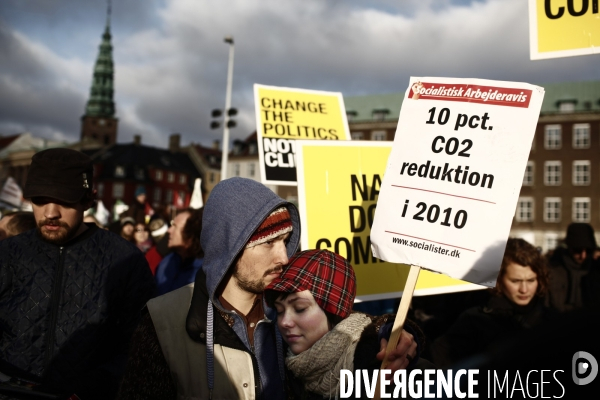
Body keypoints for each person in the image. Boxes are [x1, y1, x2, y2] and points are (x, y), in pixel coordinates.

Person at [117, 177, 416, 399]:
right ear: (228, 248)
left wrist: (391, 333)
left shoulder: (286, 312)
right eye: (268, 243)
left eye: (285, 241)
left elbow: (347, 332)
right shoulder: (162, 324)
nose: (284, 256)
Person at [0, 148, 156, 400]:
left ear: (88, 199)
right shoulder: (7, 254)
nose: (50, 212)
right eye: (39, 199)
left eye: (64, 200)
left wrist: (92, 389)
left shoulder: (125, 260)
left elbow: (141, 344)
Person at [265, 249, 423, 399]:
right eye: (279, 311)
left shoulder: (388, 373)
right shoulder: (276, 364)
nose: (284, 322)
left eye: (300, 309)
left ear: (335, 312)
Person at [430, 238, 553, 367]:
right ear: (499, 279)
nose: (524, 289)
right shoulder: (474, 321)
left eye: (531, 280)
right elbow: (439, 361)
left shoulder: (551, 319)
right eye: (515, 281)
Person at [547, 222, 598, 312]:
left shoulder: (596, 270)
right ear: (569, 248)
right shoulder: (553, 271)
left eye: (588, 250)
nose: (583, 255)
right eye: (578, 250)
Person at [154, 208, 204, 296]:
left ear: (190, 235)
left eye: (175, 226)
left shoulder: (204, 272)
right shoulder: (166, 262)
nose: (169, 230)